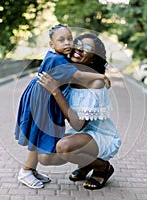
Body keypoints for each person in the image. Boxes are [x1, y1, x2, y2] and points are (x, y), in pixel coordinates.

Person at [15, 25, 109, 189]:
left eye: (69, 39)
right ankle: (26, 171)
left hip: (44, 100)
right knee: (38, 135)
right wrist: (101, 75)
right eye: (61, 40)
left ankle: (33, 170)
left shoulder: (59, 57)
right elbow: (78, 75)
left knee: (40, 136)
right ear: (52, 44)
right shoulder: (56, 59)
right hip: (41, 102)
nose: (67, 43)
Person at [38, 33, 121, 190]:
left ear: (93, 58)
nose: (79, 49)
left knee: (64, 147)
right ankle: (85, 163)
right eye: (77, 44)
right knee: (45, 157)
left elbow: (78, 125)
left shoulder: (96, 83)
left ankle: (102, 167)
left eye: (87, 48)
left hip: (99, 135)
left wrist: (56, 91)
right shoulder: (68, 77)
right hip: (80, 135)